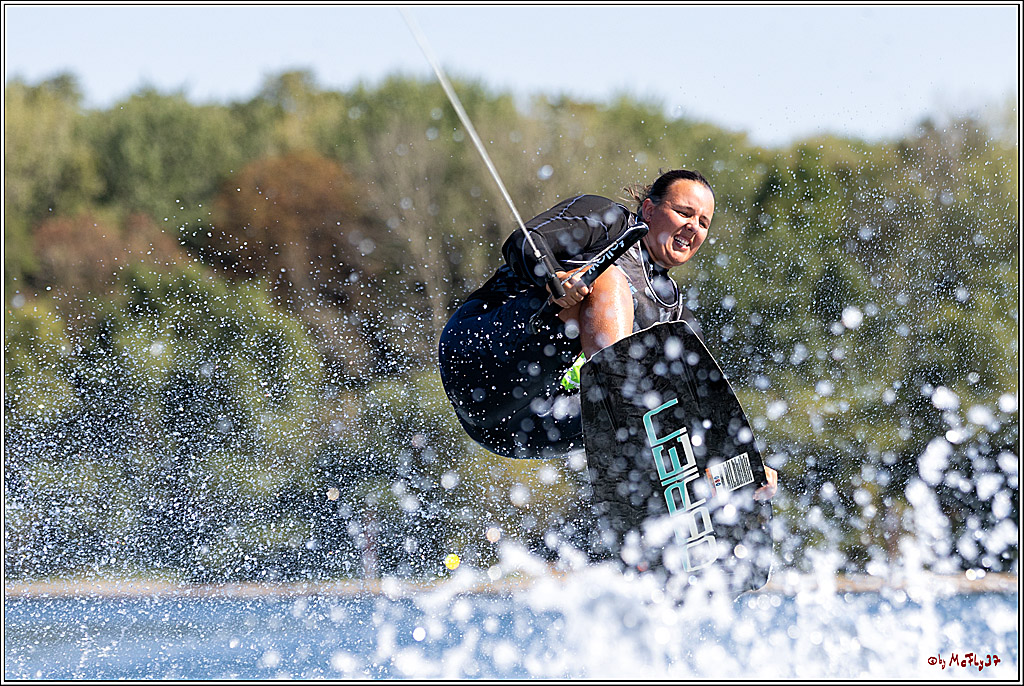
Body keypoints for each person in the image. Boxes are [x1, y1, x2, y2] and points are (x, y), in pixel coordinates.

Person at [438, 169, 777, 500]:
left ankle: (676, 498)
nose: (693, 226)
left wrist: (740, 462)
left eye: (703, 223)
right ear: (649, 209)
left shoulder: (675, 315)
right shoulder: (608, 222)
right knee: (608, 281)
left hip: (513, 432)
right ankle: (625, 418)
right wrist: (553, 277)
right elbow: (521, 242)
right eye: (684, 212)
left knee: (673, 398)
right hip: (480, 357)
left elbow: (694, 403)